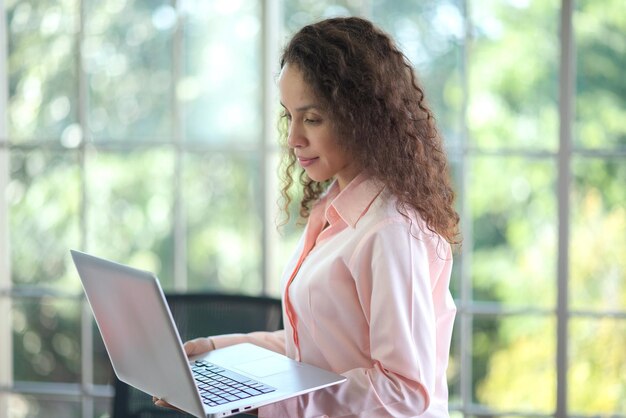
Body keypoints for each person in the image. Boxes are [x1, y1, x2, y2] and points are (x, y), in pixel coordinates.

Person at [156, 16, 459, 417]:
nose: (293, 138)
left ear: (362, 116)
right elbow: (317, 351)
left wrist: (265, 402)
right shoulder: (337, 211)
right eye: (289, 116)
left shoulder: (389, 230)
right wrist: (213, 350)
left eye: (312, 118)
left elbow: (403, 393)